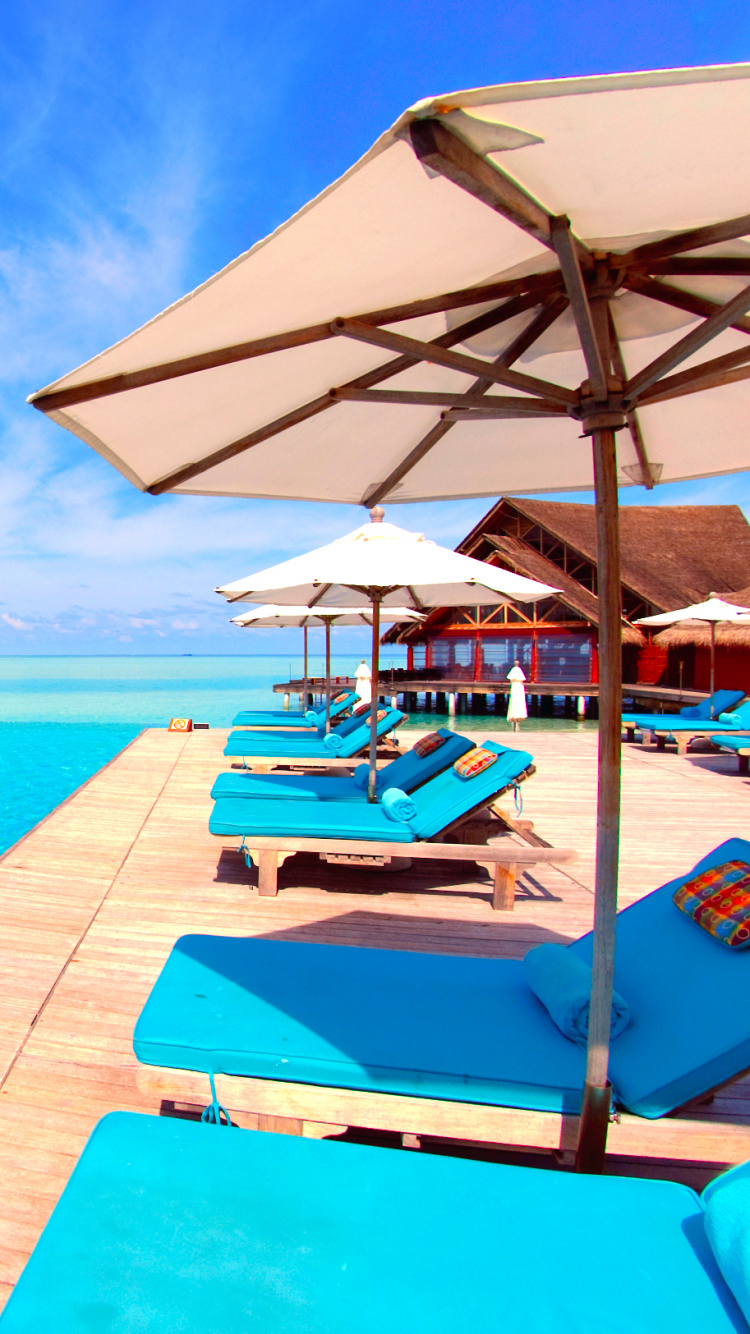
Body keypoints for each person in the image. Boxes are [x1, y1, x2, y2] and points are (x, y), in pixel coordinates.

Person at [506, 659, 527, 732]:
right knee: (518, 702)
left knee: (514, 703)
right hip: (518, 688)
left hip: (514, 688)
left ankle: (514, 726)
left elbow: (510, 678)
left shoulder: (513, 672)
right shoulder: (519, 677)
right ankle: (517, 725)